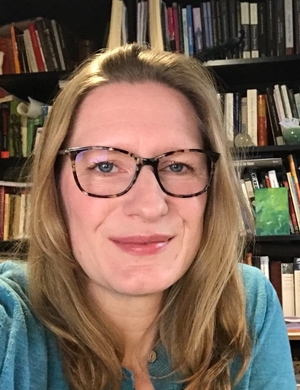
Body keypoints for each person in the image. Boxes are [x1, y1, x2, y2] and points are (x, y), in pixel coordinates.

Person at [0, 43, 296, 390]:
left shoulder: (246, 302)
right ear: (56, 187)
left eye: (178, 165)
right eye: (105, 165)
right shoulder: (12, 326)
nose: (150, 205)